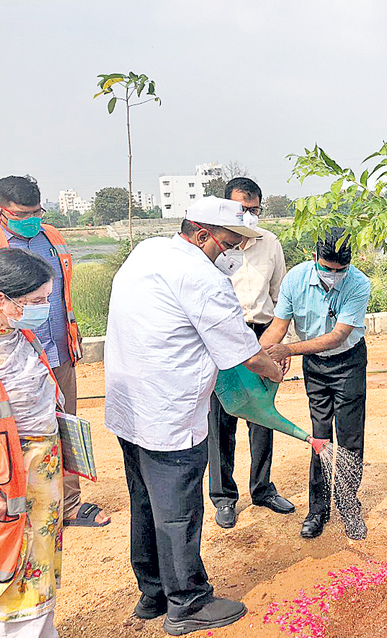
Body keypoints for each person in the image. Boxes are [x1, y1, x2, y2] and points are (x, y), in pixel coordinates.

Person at [104, 196, 283, 635]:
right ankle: (187, 602)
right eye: (227, 243)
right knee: (179, 511)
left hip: (129, 406)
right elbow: (240, 351)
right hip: (169, 413)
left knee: (145, 501)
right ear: (201, 234)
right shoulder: (202, 278)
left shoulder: (149, 251)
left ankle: (153, 594)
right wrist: (274, 367)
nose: (232, 253)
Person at [0, 175, 110, 528]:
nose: (33, 219)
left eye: (38, 211)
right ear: (1, 211)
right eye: (23, 213)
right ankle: (14, 503)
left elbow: (61, 296)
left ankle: (69, 503)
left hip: (56, 351)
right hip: (7, 361)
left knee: (61, 426)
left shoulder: (52, 237)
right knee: (10, 434)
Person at [0, 248, 64, 638]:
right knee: (11, 569)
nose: (44, 308)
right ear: (0, 300)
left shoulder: (18, 334)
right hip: (2, 483)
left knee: (39, 563)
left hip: (40, 474)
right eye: (36, 301)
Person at [260, 227, 371, 541]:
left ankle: (349, 506)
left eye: (340, 270)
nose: (333, 276)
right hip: (316, 366)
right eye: (327, 268)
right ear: (314, 258)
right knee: (319, 436)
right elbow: (278, 328)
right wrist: (259, 357)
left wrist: (289, 350)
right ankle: (317, 510)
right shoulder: (295, 279)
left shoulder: (358, 284)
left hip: (348, 362)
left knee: (349, 437)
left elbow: (338, 336)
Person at [207, 177, 294, 529]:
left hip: (261, 335)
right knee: (220, 419)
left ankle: (262, 488)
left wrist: (281, 344)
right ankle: (224, 497)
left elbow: (280, 297)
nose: (250, 216)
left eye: (255, 210)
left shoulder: (270, 244)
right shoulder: (213, 245)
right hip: (222, 335)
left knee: (262, 415)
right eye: (243, 209)